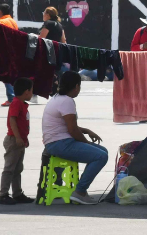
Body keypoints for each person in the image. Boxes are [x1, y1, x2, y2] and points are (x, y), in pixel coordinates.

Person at [42, 71, 108, 205]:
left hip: (57, 141)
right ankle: (80, 191)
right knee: (101, 156)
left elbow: (68, 125)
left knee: (103, 151)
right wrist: (86, 142)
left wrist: (86, 131)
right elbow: (72, 130)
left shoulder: (57, 98)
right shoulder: (67, 101)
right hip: (60, 144)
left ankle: (81, 188)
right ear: (77, 86)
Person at [0, 78, 34, 205]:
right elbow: (12, 121)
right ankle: (3, 194)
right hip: (14, 140)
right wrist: (18, 137)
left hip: (19, 141)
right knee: (9, 168)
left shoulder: (21, 103)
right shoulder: (16, 103)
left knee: (17, 168)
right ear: (26, 92)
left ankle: (17, 193)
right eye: (31, 91)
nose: (32, 93)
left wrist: (24, 139)